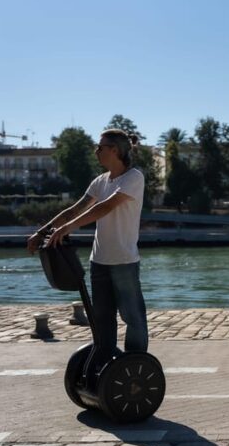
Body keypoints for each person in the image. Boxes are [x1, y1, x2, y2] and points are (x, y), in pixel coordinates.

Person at [27, 129, 148, 370]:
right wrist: (42, 232)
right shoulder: (100, 181)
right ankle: (105, 366)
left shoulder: (134, 177)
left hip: (124, 262)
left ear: (114, 150)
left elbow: (105, 207)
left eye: (100, 147)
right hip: (99, 262)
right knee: (102, 320)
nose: (96, 150)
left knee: (132, 318)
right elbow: (75, 209)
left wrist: (69, 228)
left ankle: (135, 368)